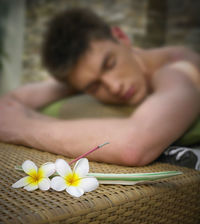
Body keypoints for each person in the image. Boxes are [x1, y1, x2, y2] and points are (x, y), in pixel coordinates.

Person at [0, 7, 200, 167]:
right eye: (94, 86)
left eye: (109, 63)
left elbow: (133, 146)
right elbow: (10, 102)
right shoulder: (86, 74)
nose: (113, 86)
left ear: (121, 37)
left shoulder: (176, 69)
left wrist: (24, 126)